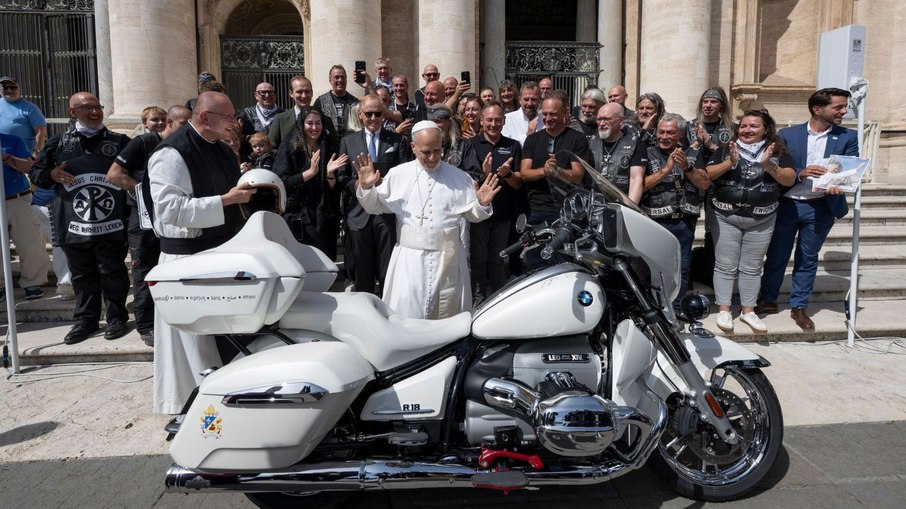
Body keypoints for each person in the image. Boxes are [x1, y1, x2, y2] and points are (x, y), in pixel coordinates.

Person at [146, 91, 256, 414]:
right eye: (229, 117)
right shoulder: (172, 154)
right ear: (206, 118)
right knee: (195, 344)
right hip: (187, 262)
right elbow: (169, 210)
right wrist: (226, 200)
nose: (236, 123)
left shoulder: (222, 149)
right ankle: (200, 408)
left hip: (219, 254)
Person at [354, 120, 500, 319]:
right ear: (413, 147)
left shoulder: (460, 177)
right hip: (410, 262)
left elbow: (472, 215)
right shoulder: (398, 175)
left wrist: (482, 204)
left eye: (437, 151)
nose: (432, 157)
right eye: (426, 152)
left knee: (448, 322)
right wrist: (366, 187)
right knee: (408, 316)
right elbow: (374, 207)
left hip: (448, 260)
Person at [29, 92, 132, 345]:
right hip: (74, 222)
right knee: (82, 275)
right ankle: (85, 320)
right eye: (88, 107)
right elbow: (37, 174)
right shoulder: (58, 143)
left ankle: (117, 318)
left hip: (112, 222)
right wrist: (51, 174)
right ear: (73, 112)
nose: (95, 112)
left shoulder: (120, 142)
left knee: (113, 271)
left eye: (98, 107)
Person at [756, 88, 859, 331]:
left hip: (821, 206)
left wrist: (841, 184)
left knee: (808, 257)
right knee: (777, 255)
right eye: (838, 107)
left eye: (844, 107)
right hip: (788, 204)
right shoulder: (788, 135)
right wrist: (800, 172)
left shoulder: (848, 137)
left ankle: (799, 306)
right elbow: (775, 166)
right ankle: (768, 299)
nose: (844, 111)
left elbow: (850, 169)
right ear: (817, 109)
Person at [702, 110, 796, 333]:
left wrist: (768, 164)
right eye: (743, 126)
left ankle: (748, 310)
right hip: (726, 216)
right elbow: (707, 175)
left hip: (761, 218)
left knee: (752, 267)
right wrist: (730, 161)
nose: (747, 130)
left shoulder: (777, 150)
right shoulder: (727, 148)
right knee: (725, 265)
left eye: (754, 126)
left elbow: (789, 179)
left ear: (765, 129)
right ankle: (724, 309)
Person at [106, 105, 192, 347]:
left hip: (172, 219)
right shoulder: (143, 143)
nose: (188, 128)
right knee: (145, 270)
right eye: (183, 124)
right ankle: (146, 325)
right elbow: (114, 174)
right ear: (171, 123)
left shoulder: (184, 145)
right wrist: (144, 192)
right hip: (143, 221)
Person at [337, 95, 411, 294]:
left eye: (378, 113)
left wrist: (381, 183)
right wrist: (359, 185)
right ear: (360, 115)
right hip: (358, 213)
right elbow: (342, 177)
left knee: (388, 270)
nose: (373, 118)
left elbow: (405, 175)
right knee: (363, 272)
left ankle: (387, 307)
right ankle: (366, 308)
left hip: (386, 212)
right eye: (368, 113)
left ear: (384, 115)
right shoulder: (348, 141)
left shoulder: (397, 140)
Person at [638, 113, 710, 312]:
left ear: (680, 134)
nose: (664, 136)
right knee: (653, 267)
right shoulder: (646, 152)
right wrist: (666, 170)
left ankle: (675, 310)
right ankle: (654, 309)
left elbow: (704, 183)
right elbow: (640, 185)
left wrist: (687, 167)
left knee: (682, 268)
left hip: (683, 222)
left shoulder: (693, 154)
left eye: (670, 132)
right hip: (654, 221)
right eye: (661, 132)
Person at [519, 91, 589, 268]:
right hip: (535, 209)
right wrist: (544, 171)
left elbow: (578, 175)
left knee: (561, 264)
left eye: (553, 114)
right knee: (535, 263)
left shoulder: (578, 139)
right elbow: (525, 173)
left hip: (563, 212)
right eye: (545, 114)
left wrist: (558, 172)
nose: (548, 118)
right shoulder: (532, 140)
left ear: (565, 112)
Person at [461, 101, 522, 303]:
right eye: (489, 120)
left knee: (497, 259)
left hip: (503, 214)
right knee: (477, 260)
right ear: (481, 120)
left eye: (497, 120)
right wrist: (484, 173)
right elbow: (466, 180)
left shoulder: (513, 145)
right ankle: (478, 300)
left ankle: (498, 299)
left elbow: (518, 184)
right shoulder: (470, 144)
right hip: (478, 214)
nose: (493, 124)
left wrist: (508, 174)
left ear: (504, 121)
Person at [272, 106, 347, 260]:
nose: (314, 128)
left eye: (318, 123)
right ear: (301, 124)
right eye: (310, 123)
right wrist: (310, 173)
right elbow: (280, 182)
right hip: (298, 214)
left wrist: (329, 175)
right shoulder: (289, 147)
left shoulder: (330, 147)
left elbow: (335, 188)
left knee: (324, 260)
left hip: (323, 214)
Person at [1, 132, 50, 301]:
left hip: (18, 198)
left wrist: (8, 158)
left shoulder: (13, 140)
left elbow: (30, 167)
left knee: (30, 243)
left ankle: (33, 282)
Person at [591, 102, 645, 203]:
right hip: (593, 202)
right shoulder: (591, 142)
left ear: (621, 120)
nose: (601, 124)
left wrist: (630, 207)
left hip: (620, 203)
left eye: (607, 119)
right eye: (599, 119)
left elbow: (636, 179)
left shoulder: (635, 143)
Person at [268, 75, 336, 150]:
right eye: (299, 92)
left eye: (307, 91)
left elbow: (335, 147)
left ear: (312, 93)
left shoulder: (326, 120)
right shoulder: (280, 120)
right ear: (291, 93)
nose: (304, 96)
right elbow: (270, 148)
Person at [315, 65, 360, 145]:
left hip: (350, 145)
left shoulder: (355, 102)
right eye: (337, 77)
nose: (340, 80)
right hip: (328, 146)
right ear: (330, 80)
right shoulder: (321, 101)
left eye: (343, 77)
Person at [501, 81, 543, 146]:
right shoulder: (507, 120)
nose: (529, 103)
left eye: (533, 99)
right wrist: (528, 136)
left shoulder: (545, 121)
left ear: (540, 100)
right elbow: (506, 147)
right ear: (520, 100)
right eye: (526, 99)